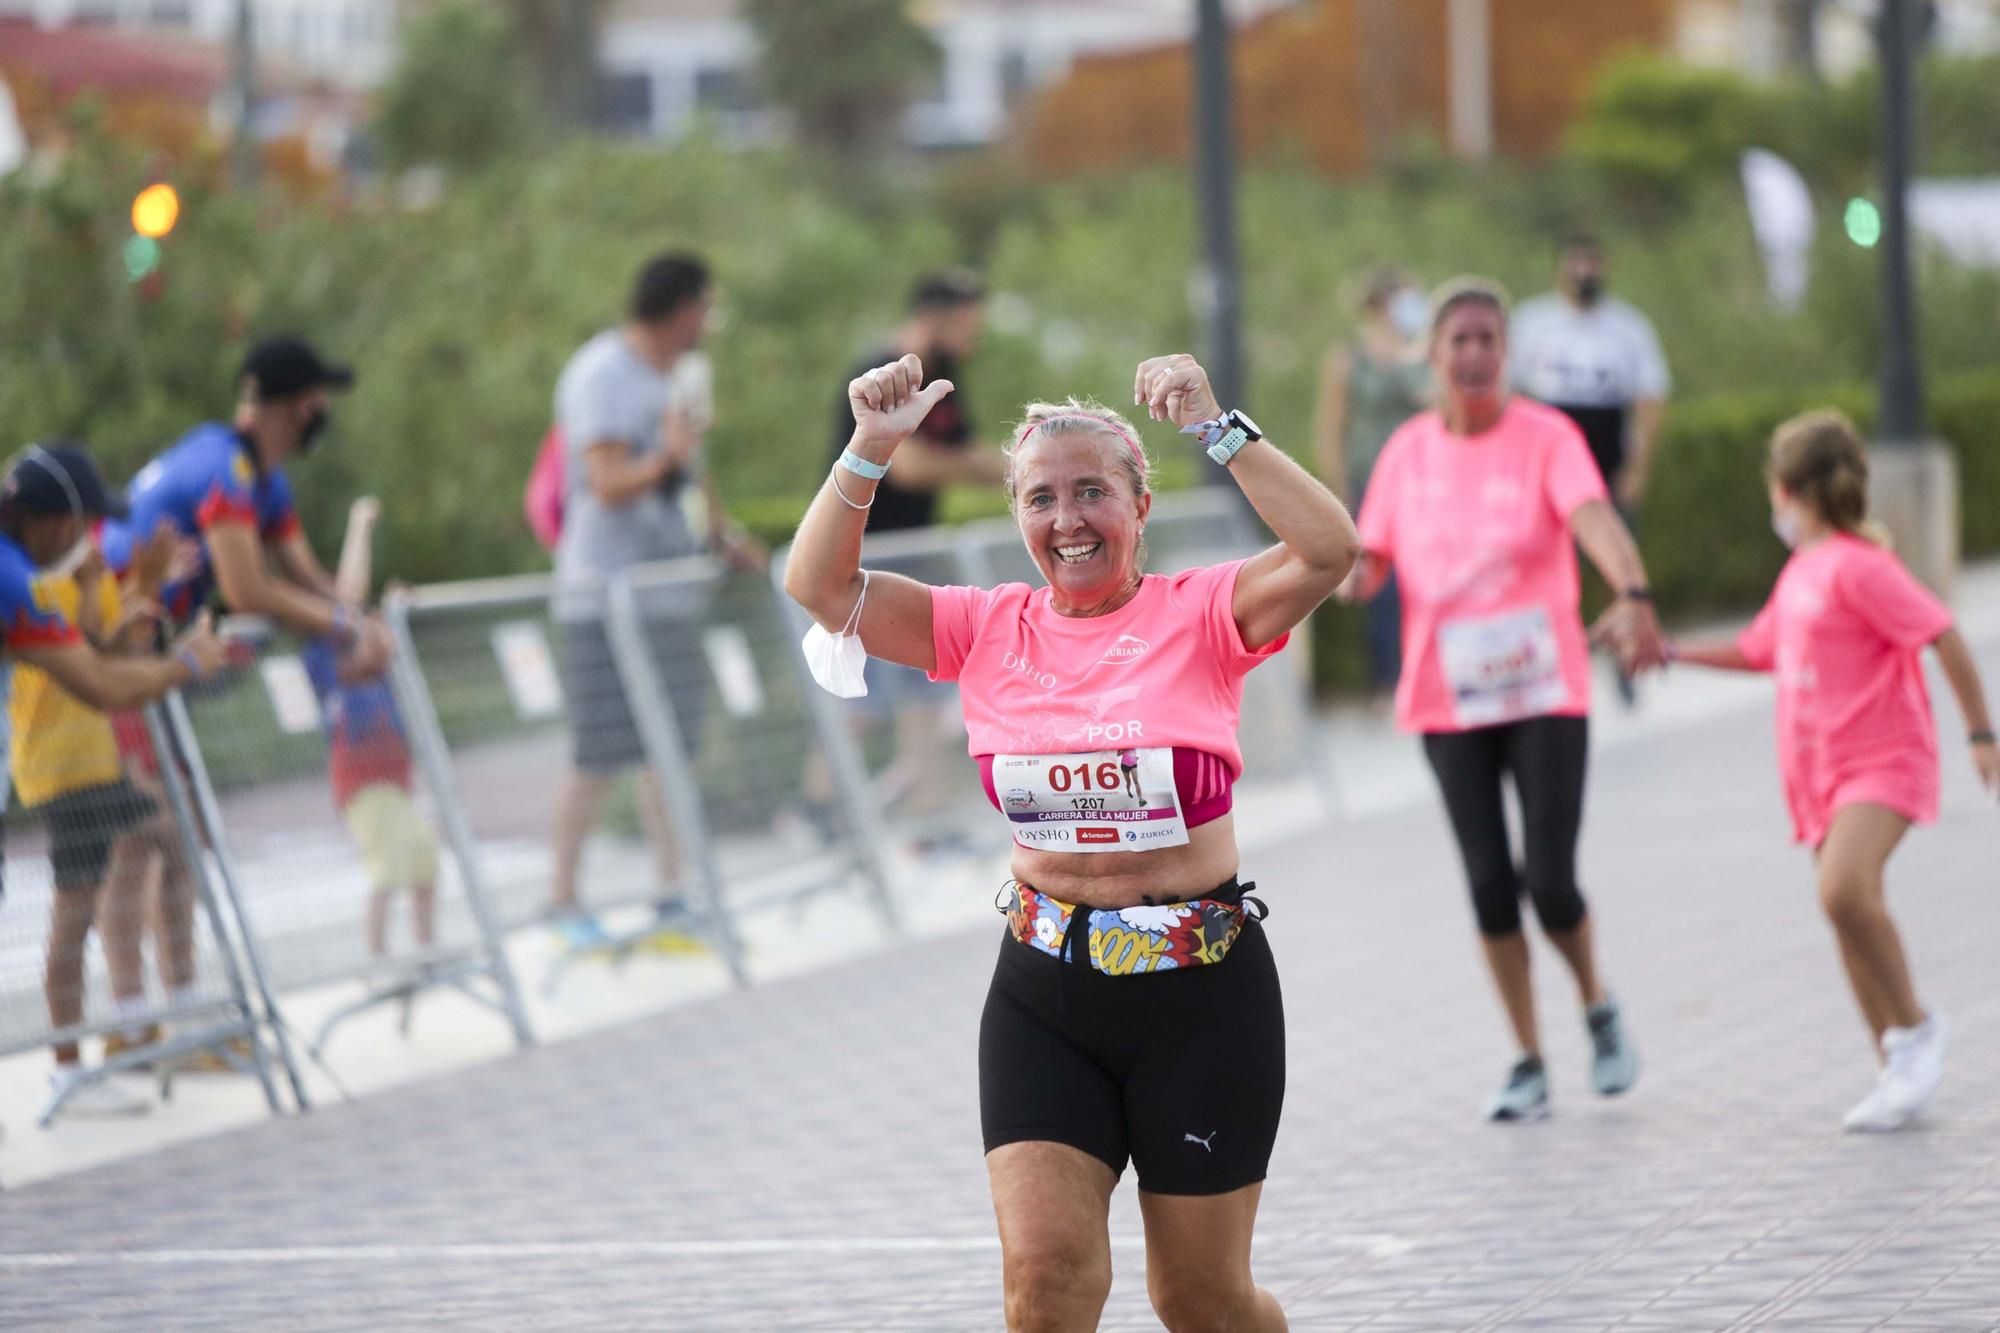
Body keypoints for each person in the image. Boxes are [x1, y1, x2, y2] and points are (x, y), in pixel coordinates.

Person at [787, 350, 1356, 1330]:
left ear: (1139, 506)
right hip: (1044, 994)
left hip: (1198, 996)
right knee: (1043, 1284)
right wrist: (869, 450)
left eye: (1092, 492)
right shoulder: (980, 627)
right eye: (1041, 498)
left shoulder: (1202, 613)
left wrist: (1217, 425)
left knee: (1199, 1299)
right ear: (1017, 517)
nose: (1066, 520)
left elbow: (1326, 548)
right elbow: (818, 585)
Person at [1340, 279, 1659, 1122]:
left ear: (1506, 350)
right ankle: (1527, 1056)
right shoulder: (1406, 452)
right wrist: (1320, 575)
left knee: (1550, 882)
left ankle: (1597, 1004)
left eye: (1489, 338)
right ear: (1433, 354)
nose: (1475, 353)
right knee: (1489, 888)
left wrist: (1633, 591)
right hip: (1448, 700)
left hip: (1544, 689)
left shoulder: (1546, 437)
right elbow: (1363, 560)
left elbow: (1594, 520)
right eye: (1460, 340)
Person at [1666, 410, 1998, 1132]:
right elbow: (1761, 650)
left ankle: (1916, 1028)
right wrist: (1672, 652)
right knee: (1839, 909)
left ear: (1788, 488)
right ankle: (1893, 1062)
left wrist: (1980, 730)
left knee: (1845, 888)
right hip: (1820, 770)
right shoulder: (1802, 571)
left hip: (1883, 760)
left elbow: (1940, 631)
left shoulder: (1859, 564)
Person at [0, 444, 227, 1113]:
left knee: (136, 868)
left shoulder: (36, 572)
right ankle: (91, 1052)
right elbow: (101, 678)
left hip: (85, 762)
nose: (86, 539)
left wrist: (144, 589)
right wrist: (186, 663)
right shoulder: (17, 577)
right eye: (86, 523)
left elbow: (100, 643)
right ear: (64, 523)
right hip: (63, 766)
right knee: (81, 912)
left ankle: (132, 1025)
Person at [548, 252, 765, 947]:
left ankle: (671, 892)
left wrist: (722, 536)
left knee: (670, 750)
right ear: (680, 308)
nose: (710, 323)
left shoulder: (677, 378)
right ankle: (561, 901)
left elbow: (693, 472)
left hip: (670, 598)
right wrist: (667, 458)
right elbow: (605, 481)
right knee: (599, 752)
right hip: (606, 596)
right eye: (706, 307)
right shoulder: (602, 373)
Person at [824, 270, 1005, 817]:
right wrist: (983, 468)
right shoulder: (883, 373)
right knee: (860, 695)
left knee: (924, 690)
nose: (975, 336)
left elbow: (960, 445)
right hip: (863, 551)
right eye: (968, 323)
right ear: (936, 318)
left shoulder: (945, 376)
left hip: (913, 550)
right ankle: (820, 806)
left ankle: (929, 814)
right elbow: (909, 467)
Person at [1512, 235, 1671, 707]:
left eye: (1591, 262)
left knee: (1613, 561)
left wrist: (1638, 467)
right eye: (1575, 262)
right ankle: (1550, 654)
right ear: (1559, 268)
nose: (1584, 271)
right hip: (1547, 465)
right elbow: (1512, 395)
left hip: (1606, 461)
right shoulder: (1533, 323)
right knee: (1547, 563)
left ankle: (1622, 650)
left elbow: (1650, 401)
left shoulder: (1626, 328)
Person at [300, 497, 440, 962]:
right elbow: (350, 597)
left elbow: (372, 625)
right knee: (387, 867)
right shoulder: (327, 655)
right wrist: (359, 526)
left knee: (423, 860)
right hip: (362, 782)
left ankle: (426, 949)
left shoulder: (375, 662)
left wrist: (393, 613)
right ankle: (377, 956)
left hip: (394, 779)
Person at [1313, 267, 1431, 703]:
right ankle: (1387, 678)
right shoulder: (1348, 356)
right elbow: (1331, 426)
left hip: (1422, 480)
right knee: (1380, 583)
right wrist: (1337, 489)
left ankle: (1426, 668)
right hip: (1371, 480)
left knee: (1424, 576)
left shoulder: (1421, 353)